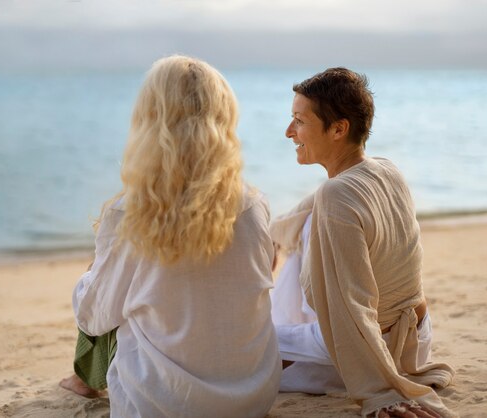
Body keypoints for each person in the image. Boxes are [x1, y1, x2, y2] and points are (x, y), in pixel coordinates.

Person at [59, 55, 281, 418]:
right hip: (252, 396)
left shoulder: (130, 212)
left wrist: (89, 276)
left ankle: (82, 379)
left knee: (101, 287)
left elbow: (93, 317)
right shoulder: (254, 204)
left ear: (149, 122)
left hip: (161, 403)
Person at [269, 68, 456, 418]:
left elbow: (352, 304)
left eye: (299, 121)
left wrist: (379, 392)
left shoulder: (336, 194)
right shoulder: (385, 168)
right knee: (303, 224)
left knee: (236, 349)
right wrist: (270, 237)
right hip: (417, 336)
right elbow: (306, 214)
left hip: (371, 350)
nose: (289, 132)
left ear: (338, 129)